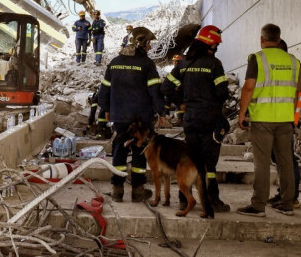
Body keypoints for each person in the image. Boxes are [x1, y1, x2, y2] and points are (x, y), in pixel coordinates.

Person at [161, 25, 228, 216]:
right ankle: (213, 200)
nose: (216, 47)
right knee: (209, 163)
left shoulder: (183, 64)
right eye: (215, 44)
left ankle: (184, 200)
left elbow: (165, 88)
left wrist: (180, 103)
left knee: (190, 160)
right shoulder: (215, 64)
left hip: (190, 119)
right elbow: (222, 92)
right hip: (210, 119)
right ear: (210, 44)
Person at [237, 24, 301, 217]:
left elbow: (249, 88)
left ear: (262, 39)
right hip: (285, 118)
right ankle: (287, 203)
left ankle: (258, 206)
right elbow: (298, 89)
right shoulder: (293, 61)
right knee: (286, 162)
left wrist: (242, 114)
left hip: (262, 118)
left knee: (262, 162)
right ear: (279, 38)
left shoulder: (257, 58)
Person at [98, 26, 166, 203]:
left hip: (119, 116)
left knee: (119, 151)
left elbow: (104, 90)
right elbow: (155, 91)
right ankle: (137, 191)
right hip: (140, 118)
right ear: (141, 44)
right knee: (139, 152)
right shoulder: (147, 64)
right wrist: (161, 112)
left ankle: (117, 190)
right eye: (149, 43)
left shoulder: (114, 62)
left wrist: (105, 110)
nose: (150, 47)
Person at [268, 39, 301, 209]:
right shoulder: (292, 64)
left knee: (287, 159)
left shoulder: (293, 64)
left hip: (286, 118)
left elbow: (297, 90)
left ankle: (291, 196)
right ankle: (285, 194)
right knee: (280, 158)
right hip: (278, 117)